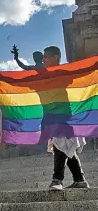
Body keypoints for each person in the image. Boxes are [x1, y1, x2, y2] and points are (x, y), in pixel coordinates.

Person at [42, 46, 90, 191]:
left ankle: (57, 180)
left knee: (59, 143)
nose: (43, 60)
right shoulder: (46, 75)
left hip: (63, 112)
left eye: (46, 57)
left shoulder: (63, 72)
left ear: (56, 57)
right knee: (65, 144)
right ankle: (79, 179)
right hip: (52, 113)